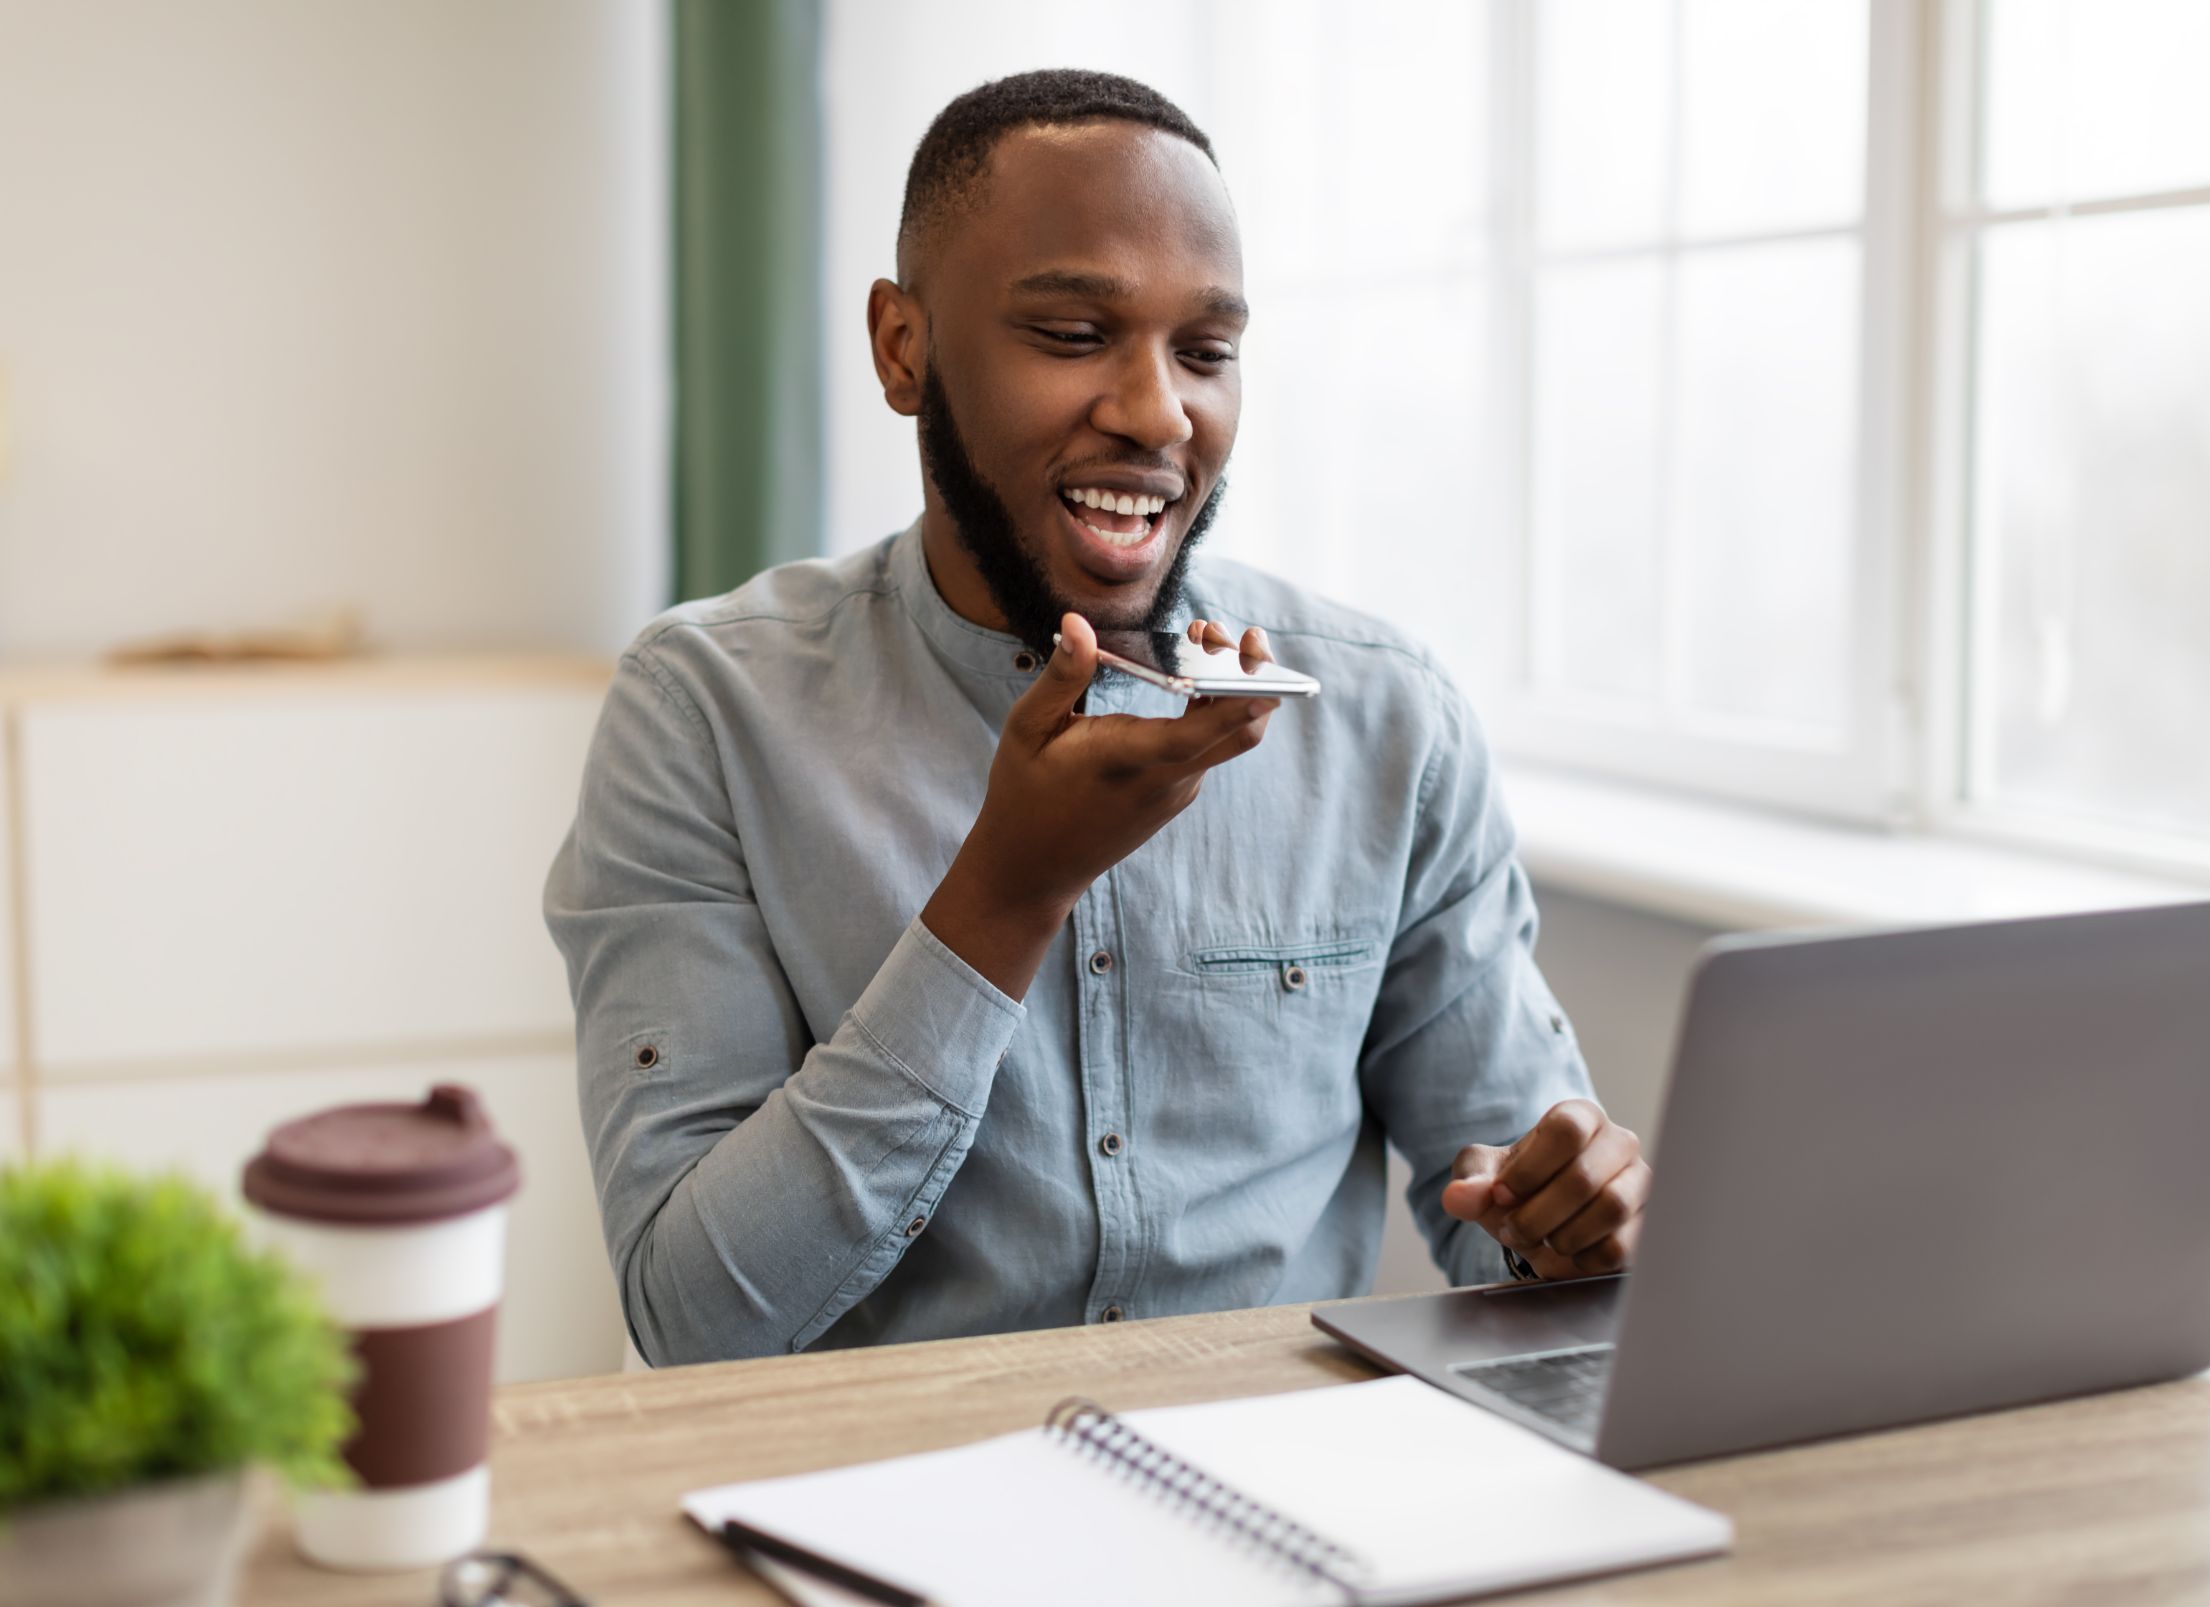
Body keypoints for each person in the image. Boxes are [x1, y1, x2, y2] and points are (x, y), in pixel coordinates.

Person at [546, 69, 1650, 1367]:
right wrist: (1005, 896)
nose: (1156, 411)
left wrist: (1563, 1226)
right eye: (1072, 335)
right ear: (905, 348)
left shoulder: (1382, 716)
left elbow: (1508, 1230)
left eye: (1205, 352)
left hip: (1273, 1507)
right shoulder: (706, 712)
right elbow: (695, 1317)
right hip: (871, 1508)